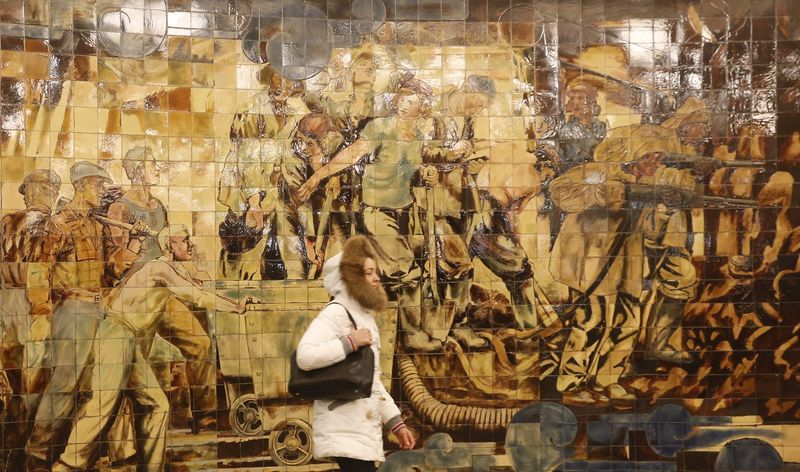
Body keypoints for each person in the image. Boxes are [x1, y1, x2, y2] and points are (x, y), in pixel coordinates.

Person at [52, 225, 251, 471]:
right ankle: (67, 466)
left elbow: (196, 286)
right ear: (169, 246)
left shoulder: (169, 269)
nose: (189, 244)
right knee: (103, 404)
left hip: (127, 340)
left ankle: (151, 468)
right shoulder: (159, 268)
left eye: (188, 240)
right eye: (183, 241)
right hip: (116, 335)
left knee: (158, 406)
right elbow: (197, 296)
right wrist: (236, 306)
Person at [25, 161, 149, 470]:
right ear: (80, 186)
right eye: (97, 185)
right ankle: (37, 453)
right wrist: (40, 313)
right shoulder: (58, 225)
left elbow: (111, 273)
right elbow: (38, 271)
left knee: (98, 386)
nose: (102, 191)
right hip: (73, 311)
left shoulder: (98, 227)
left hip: (98, 310)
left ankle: (83, 456)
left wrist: (135, 242)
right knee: (65, 385)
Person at [295, 236, 415, 471]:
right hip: (344, 427)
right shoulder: (336, 313)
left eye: (375, 271)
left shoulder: (363, 317)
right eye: (369, 273)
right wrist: (349, 342)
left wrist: (395, 422)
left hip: (358, 428)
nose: (377, 278)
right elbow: (305, 356)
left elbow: (372, 381)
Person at [0, 169, 60, 421]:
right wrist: (41, 313)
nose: (26, 196)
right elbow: (41, 272)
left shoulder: (7, 221)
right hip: (34, 305)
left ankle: (14, 429)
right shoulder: (52, 226)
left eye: (28, 190)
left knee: (13, 375)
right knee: (34, 378)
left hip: (7, 303)